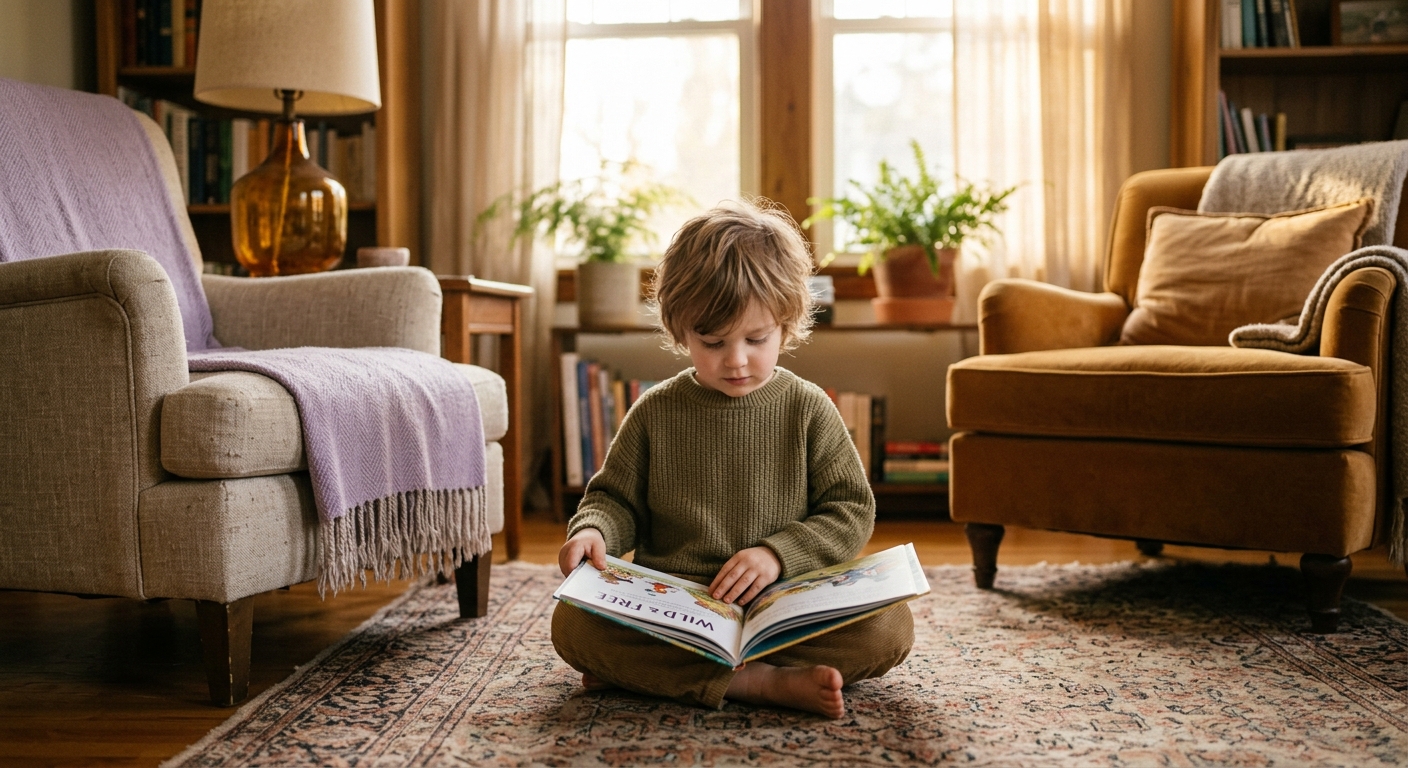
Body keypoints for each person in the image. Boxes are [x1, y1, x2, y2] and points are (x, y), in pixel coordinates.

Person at [551, 199, 914, 719]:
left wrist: (777, 554)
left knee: (891, 626)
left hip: (781, 605)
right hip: (675, 609)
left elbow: (850, 511)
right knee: (573, 625)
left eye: (756, 338)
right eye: (713, 340)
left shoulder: (809, 408)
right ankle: (759, 685)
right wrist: (594, 533)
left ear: (788, 323)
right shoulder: (655, 410)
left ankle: (662, 677)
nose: (737, 359)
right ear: (680, 330)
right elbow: (615, 500)